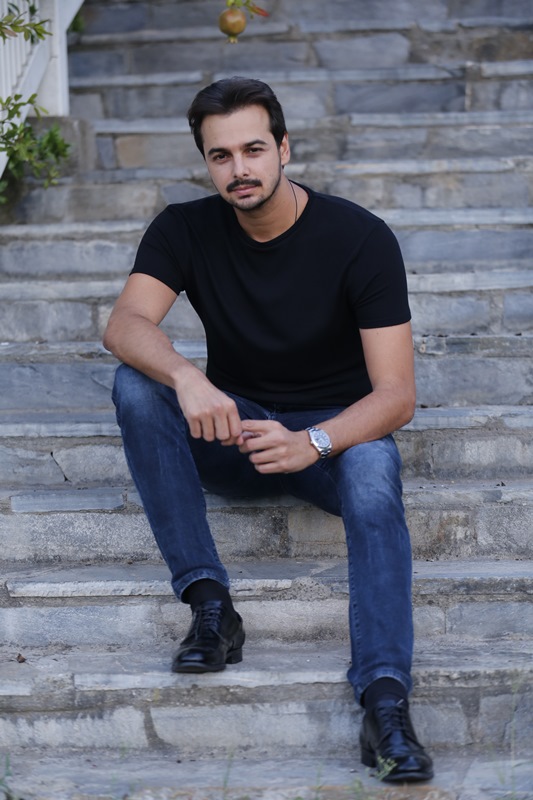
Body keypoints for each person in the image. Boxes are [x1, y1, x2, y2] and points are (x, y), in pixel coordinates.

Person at [103, 76, 433, 784]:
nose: (239, 169)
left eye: (253, 150)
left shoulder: (359, 238)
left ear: (283, 148)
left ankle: (384, 702)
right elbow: (125, 324)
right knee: (137, 382)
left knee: (374, 471)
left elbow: (397, 395)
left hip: (332, 439)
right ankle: (210, 606)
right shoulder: (183, 229)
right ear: (205, 161)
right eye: (220, 155)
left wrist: (312, 442)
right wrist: (187, 378)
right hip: (238, 429)